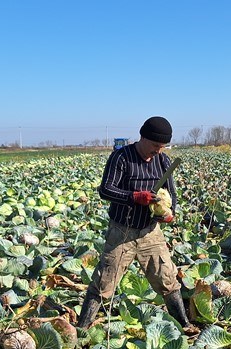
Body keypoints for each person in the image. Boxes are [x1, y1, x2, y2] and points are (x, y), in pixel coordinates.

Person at [76, 116, 193, 331]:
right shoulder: (121, 157)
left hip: (150, 232)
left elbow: (172, 195)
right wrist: (134, 197)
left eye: (162, 146)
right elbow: (105, 190)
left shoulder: (164, 162)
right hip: (122, 232)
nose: (158, 150)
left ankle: (184, 325)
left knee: (167, 278)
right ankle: (81, 329)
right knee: (104, 283)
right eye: (155, 145)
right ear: (142, 138)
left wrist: (170, 213)